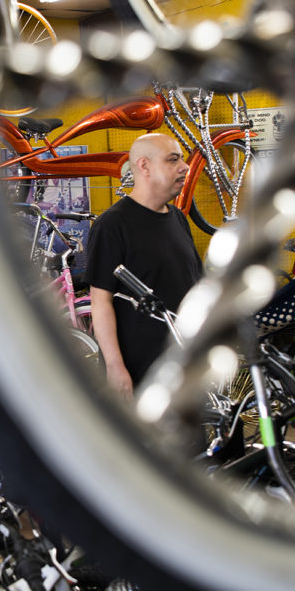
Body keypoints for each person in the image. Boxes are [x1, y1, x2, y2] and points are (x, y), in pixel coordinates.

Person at [84, 133, 203, 399]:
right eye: (173, 160)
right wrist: (115, 368)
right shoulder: (112, 226)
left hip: (182, 368)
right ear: (144, 166)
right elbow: (100, 303)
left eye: (182, 159)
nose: (185, 167)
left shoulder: (178, 219)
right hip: (141, 375)